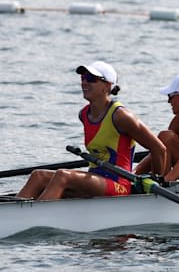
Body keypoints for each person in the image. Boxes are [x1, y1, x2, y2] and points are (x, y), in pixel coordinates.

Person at [18, 61, 167, 200]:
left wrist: (155, 181)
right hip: (96, 177)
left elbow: (159, 149)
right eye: (83, 78)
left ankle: (35, 216)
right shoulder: (84, 114)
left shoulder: (121, 116)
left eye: (91, 78)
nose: (84, 82)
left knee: (63, 175)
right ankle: (14, 213)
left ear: (107, 86)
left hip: (119, 184)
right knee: (38, 176)